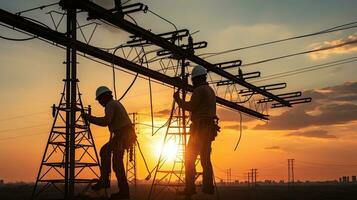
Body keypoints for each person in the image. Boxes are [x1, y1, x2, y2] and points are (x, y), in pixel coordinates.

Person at [83, 86, 136, 199]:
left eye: (100, 100)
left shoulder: (110, 105)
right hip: (124, 135)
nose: (100, 103)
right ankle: (123, 192)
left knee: (105, 151)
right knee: (117, 164)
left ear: (105, 97)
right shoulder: (114, 104)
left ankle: (104, 181)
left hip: (123, 135)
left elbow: (106, 121)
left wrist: (90, 118)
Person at [173, 65, 219, 197]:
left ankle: (190, 188)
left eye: (193, 81)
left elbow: (190, 106)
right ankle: (208, 188)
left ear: (196, 79)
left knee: (189, 158)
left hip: (199, 129)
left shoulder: (199, 90)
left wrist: (178, 100)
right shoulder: (210, 90)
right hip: (208, 129)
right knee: (205, 160)